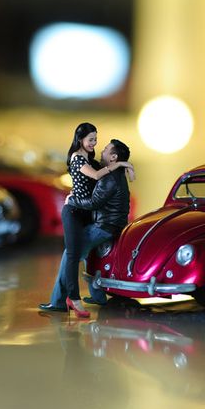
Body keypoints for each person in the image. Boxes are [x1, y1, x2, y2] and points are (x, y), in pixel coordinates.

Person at [39, 136, 132, 318]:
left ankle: (58, 302)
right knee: (91, 257)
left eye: (106, 149)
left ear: (113, 157)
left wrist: (72, 199)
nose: (102, 150)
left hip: (105, 226)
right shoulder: (114, 173)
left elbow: (93, 202)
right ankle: (98, 297)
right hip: (113, 225)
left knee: (70, 255)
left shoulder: (110, 179)